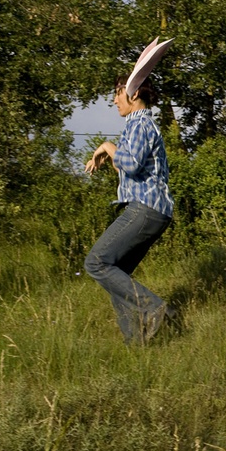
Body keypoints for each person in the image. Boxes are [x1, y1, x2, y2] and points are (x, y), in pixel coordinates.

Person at [84, 37, 176, 345]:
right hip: (154, 211)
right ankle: (136, 346)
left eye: (117, 94)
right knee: (116, 274)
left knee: (96, 263)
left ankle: (154, 308)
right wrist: (107, 154)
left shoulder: (139, 125)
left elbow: (132, 163)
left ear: (133, 93)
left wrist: (107, 147)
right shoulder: (142, 126)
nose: (114, 101)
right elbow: (127, 166)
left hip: (145, 208)